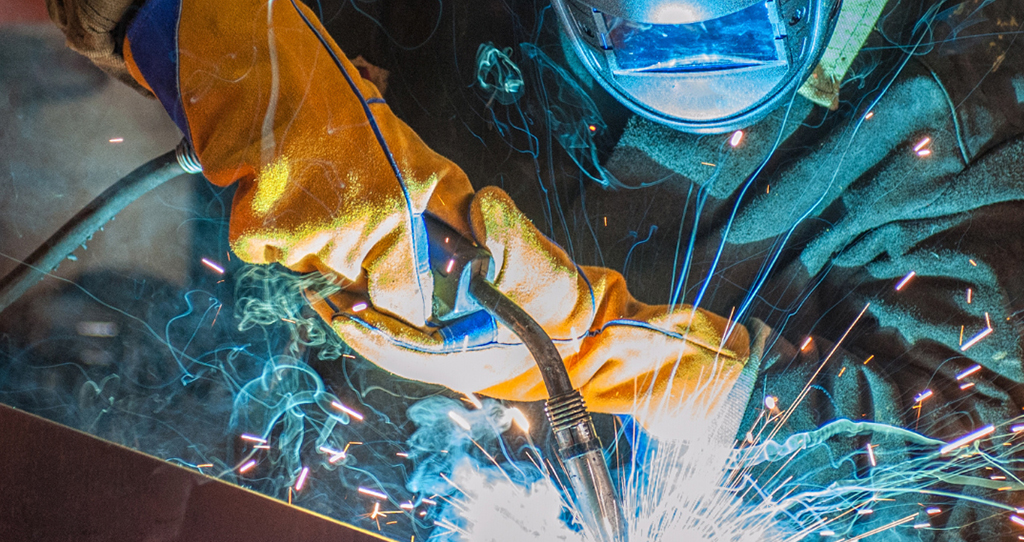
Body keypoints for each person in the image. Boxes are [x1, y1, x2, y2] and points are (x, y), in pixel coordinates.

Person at [47, 0, 1024, 538]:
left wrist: (664, 374)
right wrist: (208, 38)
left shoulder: (969, 80)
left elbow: (979, 477)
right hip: (357, 448)